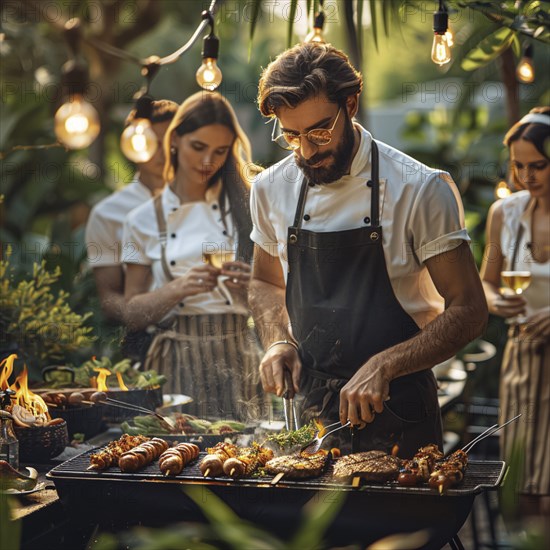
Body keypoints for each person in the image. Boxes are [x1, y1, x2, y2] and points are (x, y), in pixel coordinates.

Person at [249, 42, 487, 457]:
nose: (306, 150)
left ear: (351, 104)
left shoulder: (419, 188)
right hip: (311, 414)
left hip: (400, 409)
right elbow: (265, 281)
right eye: (292, 136)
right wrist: (276, 340)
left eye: (320, 132)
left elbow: (468, 310)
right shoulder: (270, 188)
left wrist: (385, 364)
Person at [122, 91, 266, 421]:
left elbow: (276, 300)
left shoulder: (249, 205)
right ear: (174, 141)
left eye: (220, 151)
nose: (207, 162)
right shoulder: (143, 219)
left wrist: (247, 290)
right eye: (198, 148)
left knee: (243, 457)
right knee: (176, 458)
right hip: (176, 360)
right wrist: (179, 288)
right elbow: (132, 312)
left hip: (238, 354)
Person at [480, 107, 550, 520]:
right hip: (522, 357)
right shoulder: (503, 214)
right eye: (518, 165)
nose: (527, 176)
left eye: (538, 165)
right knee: (522, 484)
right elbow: (486, 280)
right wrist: (494, 300)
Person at [85, 100, 178, 328]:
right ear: (132, 144)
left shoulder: (209, 201)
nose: (161, 153)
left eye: (169, 143)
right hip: (148, 339)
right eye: (150, 142)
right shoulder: (108, 214)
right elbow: (108, 296)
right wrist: (145, 313)